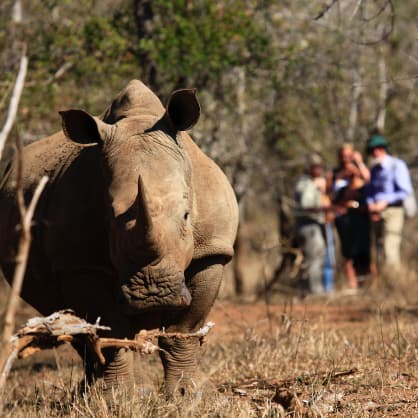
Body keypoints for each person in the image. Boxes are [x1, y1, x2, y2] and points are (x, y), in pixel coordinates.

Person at [327, 143, 374, 289]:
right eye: (342, 155)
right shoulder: (335, 173)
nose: (345, 158)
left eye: (348, 155)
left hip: (360, 215)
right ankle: (352, 286)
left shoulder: (358, 170)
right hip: (343, 216)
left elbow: (368, 179)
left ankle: (368, 284)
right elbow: (329, 194)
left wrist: (358, 163)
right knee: (348, 253)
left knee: (364, 251)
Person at [365, 134, 414, 270]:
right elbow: (370, 192)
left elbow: (405, 191)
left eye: (379, 148)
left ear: (384, 149)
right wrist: (371, 204)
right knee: (378, 247)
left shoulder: (397, 165)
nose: (376, 152)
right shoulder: (374, 170)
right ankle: (382, 278)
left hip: (394, 210)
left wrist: (385, 202)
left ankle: (394, 281)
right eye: (373, 149)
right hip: (376, 212)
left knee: (390, 246)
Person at [294, 153, 329, 294]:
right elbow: (306, 204)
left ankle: (306, 291)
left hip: (307, 225)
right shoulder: (308, 184)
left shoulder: (305, 183)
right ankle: (315, 291)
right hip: (309, 225)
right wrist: (325, 207)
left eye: (320, 166)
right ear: (309, 168)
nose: (319, 170)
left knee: (309, 258)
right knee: (314, 258)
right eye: (316, 167)